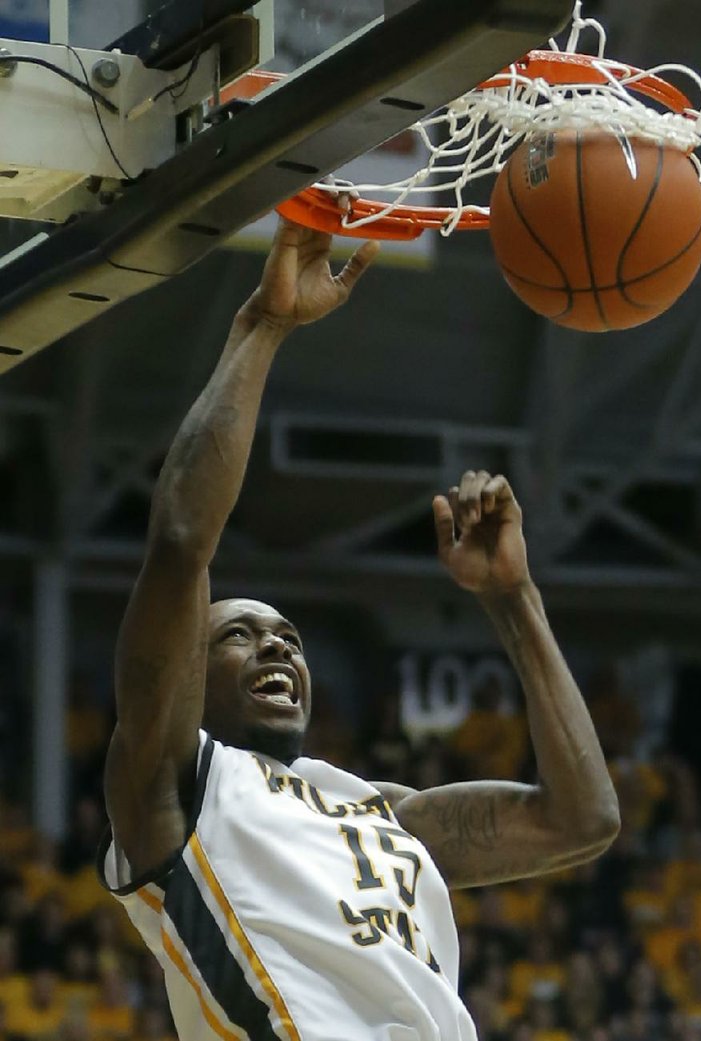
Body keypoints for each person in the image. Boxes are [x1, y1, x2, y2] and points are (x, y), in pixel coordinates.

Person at [98, 219, 620, 1041]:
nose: (278, 644)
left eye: (291, 638)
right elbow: (179, 542)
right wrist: (263, 326)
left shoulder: (384, 812)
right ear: (185, 672)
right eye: (239, 634)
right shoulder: (175, 780)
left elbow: (582, 818)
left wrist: (514, 599)